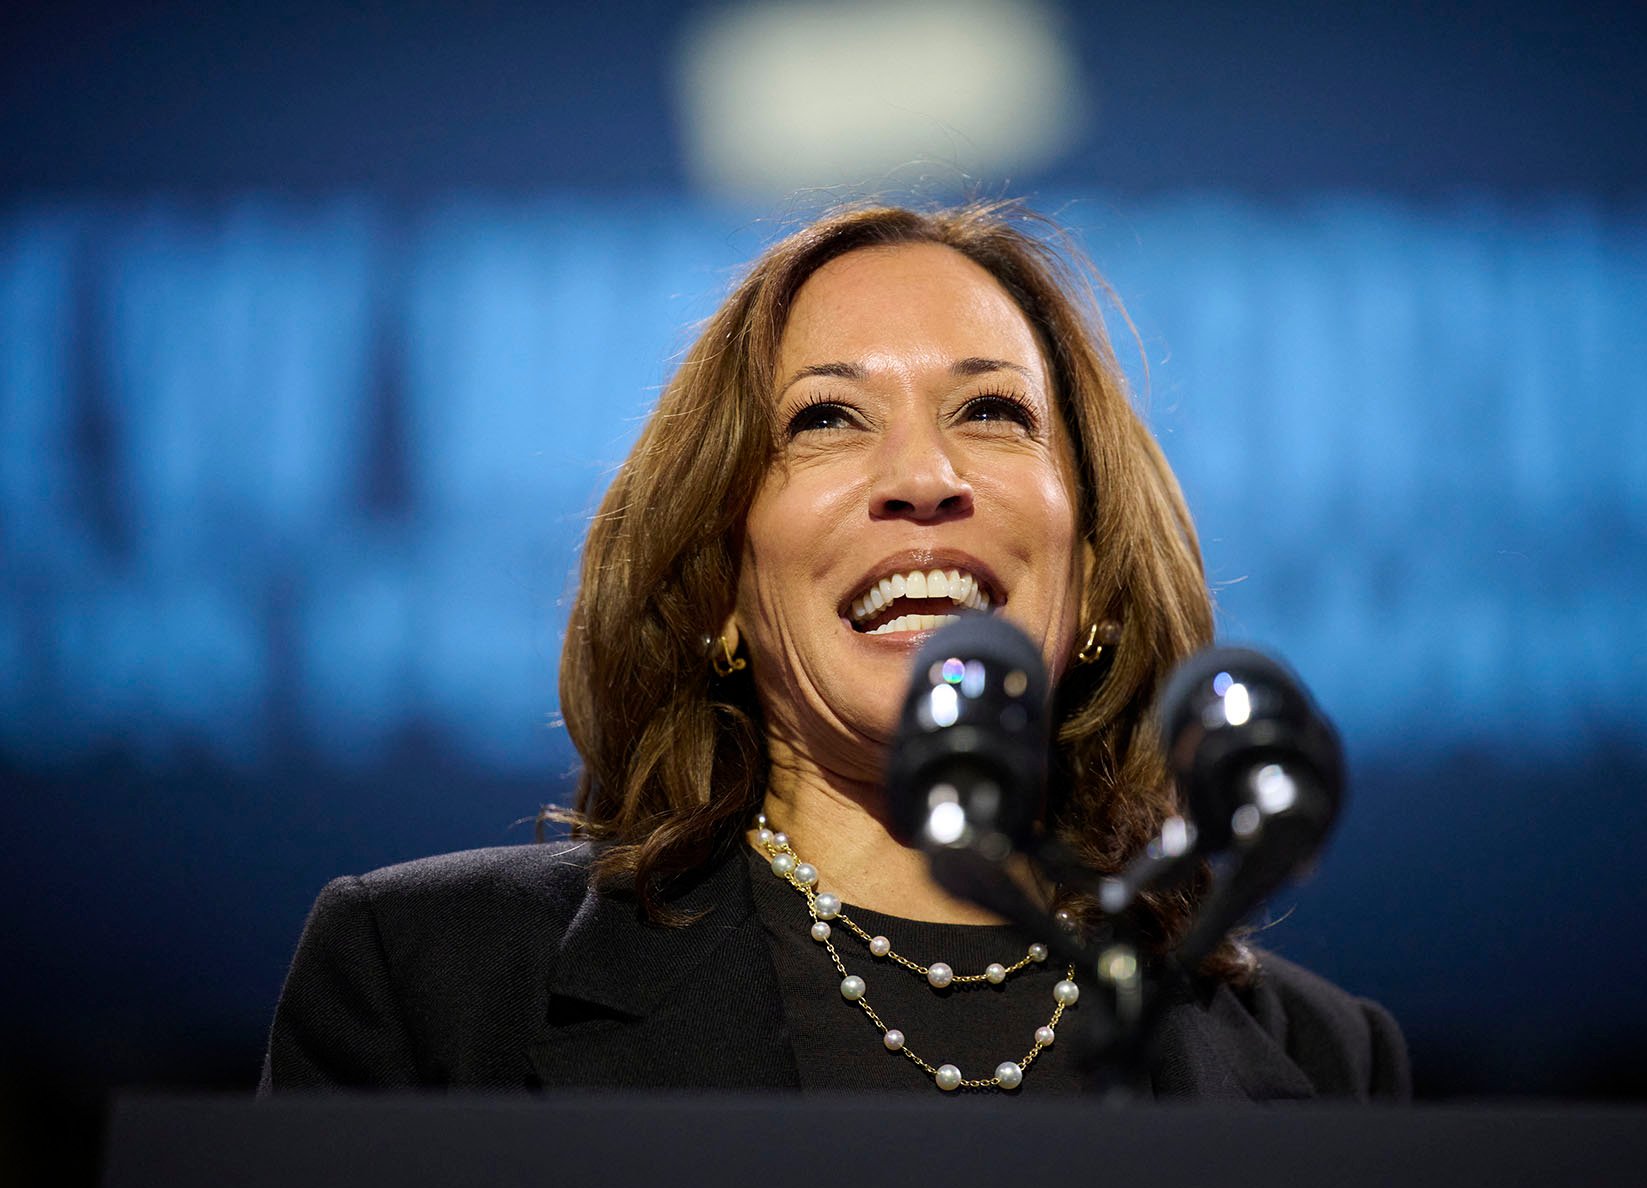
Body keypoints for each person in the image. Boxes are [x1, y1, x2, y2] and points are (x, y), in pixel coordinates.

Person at [261, 200, 1408, 1099]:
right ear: (717, 585)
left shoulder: (1328, 1065)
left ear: (1098, 579)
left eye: (993, 412)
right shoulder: (431, 985)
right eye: (825, 419)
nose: (923, 479)